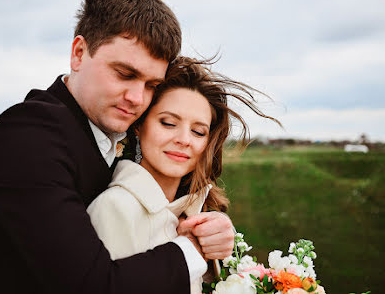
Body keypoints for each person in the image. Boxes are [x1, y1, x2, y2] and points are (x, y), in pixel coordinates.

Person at [0, 0, 235, 294]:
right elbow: (89, 285)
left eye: (152, 85)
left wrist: (214, 232)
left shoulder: (107, 140)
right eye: (125, 74)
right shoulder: (27, 134)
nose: (138, 98)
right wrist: (191, 250)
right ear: (79, 53)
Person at [87, 57, 281, 294]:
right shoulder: (114, 208)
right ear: (139, 125)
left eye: (198, 132)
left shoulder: (195, 212)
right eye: (168, 123)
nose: (184, 140)